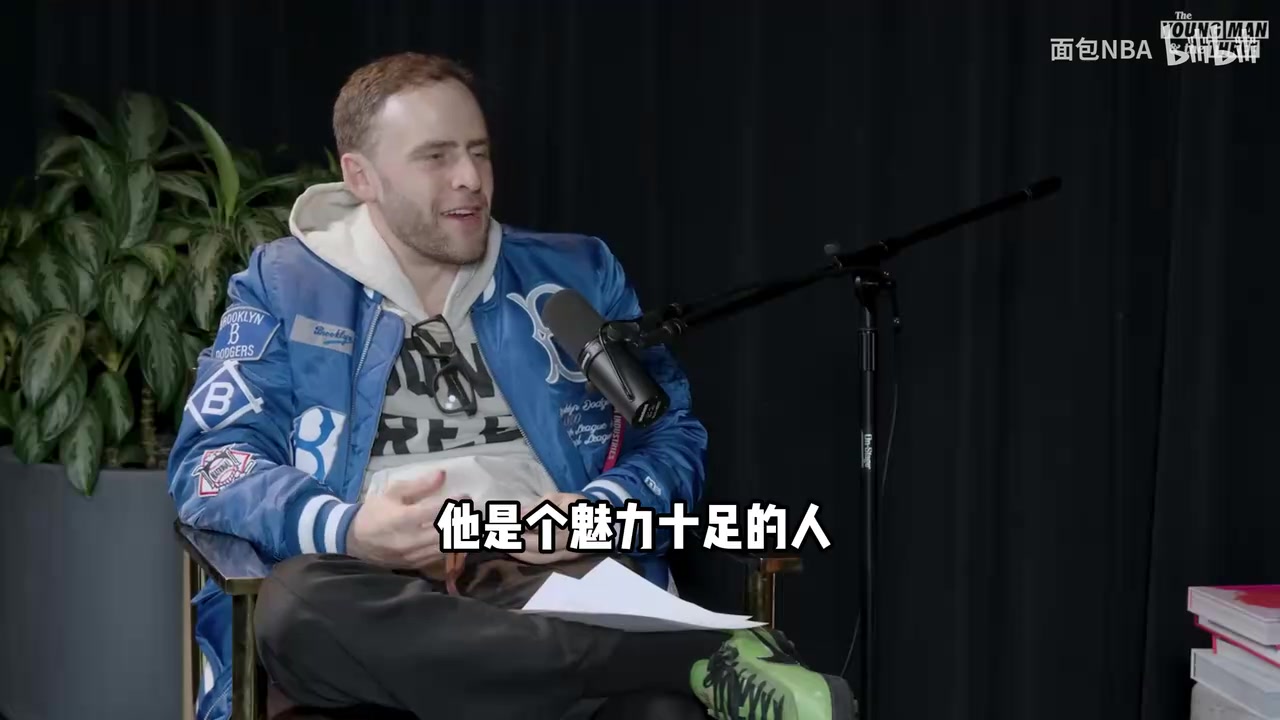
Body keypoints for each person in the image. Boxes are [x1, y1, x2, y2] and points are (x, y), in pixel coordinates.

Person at [167, 51, 855, 720]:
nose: (470, 178)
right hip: (373, 585)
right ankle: (687, 656)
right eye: (436, 157)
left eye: (479, 152)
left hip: (548, 579)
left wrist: (598, 510)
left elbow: (670, 434)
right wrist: (346, 527)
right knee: (300, 608)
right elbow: (211, 463)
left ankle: (627, 668)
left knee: (660, 713)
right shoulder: (288, 285)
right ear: (361, 176)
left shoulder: (576, 274)